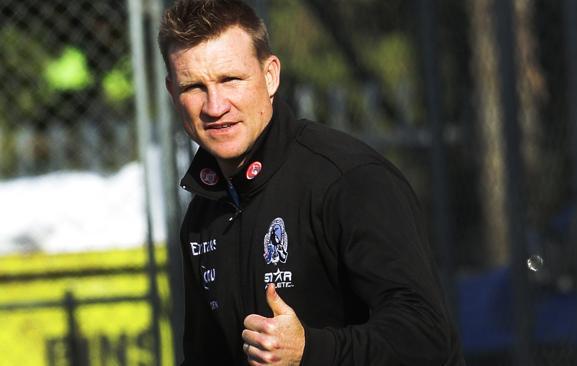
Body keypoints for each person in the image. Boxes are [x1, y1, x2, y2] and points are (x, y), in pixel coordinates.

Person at [158, 0, 465, 365]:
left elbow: (428, 339)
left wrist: (310, 350)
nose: (215, 106)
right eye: (194, 87)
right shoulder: (203, 212)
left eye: (230, 79)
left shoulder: (349, 179)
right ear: (172, 93)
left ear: (270, 76)